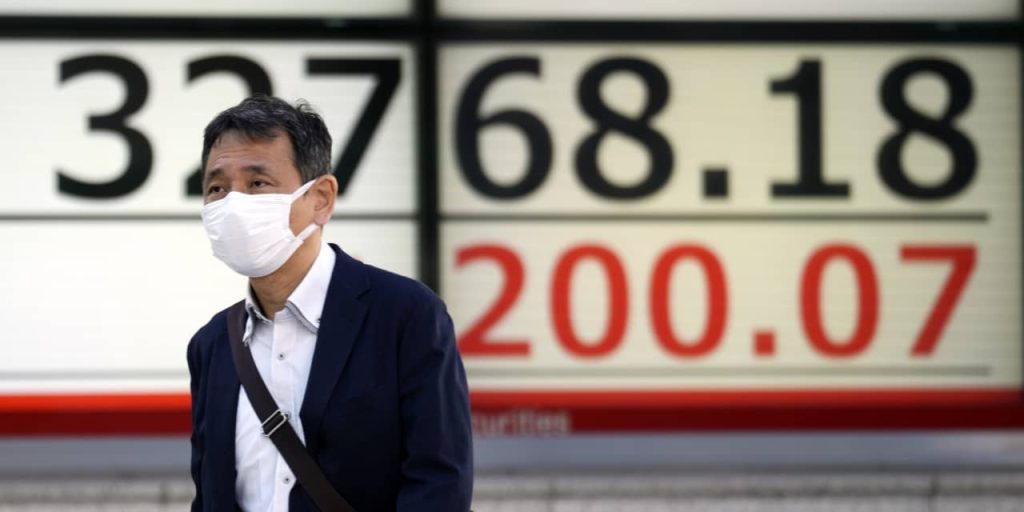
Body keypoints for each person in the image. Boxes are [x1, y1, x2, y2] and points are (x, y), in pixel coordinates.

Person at [186, 95, 473, 511]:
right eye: (217, 188)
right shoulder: (212, 345)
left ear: (321, 198)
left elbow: (439, 485)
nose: (233, 204)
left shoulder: (404, 316)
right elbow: (210, 495)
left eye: (258, 184)